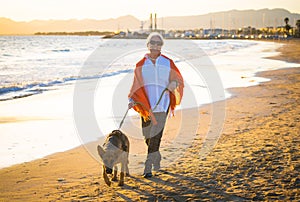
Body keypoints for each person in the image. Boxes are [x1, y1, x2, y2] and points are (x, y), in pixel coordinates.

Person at [128, 32, 184, 178]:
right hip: (146, 107)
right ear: (148, 44)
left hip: (162, 104)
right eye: (153, 42)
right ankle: (156, 156)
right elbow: (136, 85)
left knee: (155, 136)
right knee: (147, 136)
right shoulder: (140, 64)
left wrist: (173, 83)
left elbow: (177, 78)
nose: (156, 45)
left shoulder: (167, 62)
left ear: (161, 46)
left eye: (159, 43)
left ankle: (148, 166)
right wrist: (132, 100)